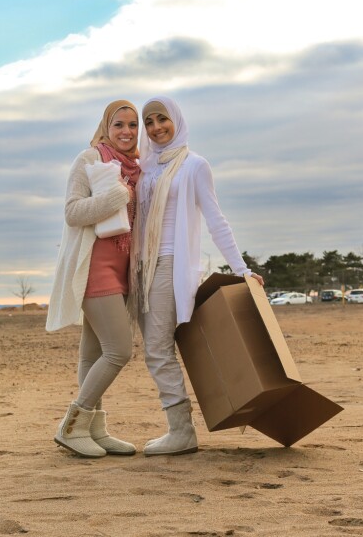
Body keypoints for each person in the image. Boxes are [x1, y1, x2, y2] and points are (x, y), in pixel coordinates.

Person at [133, 95, 264, 456]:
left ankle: (181, 430)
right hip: (142, 267)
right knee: (157, 348)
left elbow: (215, 219)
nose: (156, 127)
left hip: (171, 262)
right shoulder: (144, 167)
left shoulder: (194, 165)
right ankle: (178, 427)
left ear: (177, 120)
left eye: (163, 119)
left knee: (157, 349)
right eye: (149, 121)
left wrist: (242, 270)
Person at [46, 100, 141, 458]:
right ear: (106, 126)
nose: (126, 132)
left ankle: (94, 430)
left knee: (94, 352)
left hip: (122, 269)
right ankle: (72, 425)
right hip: (93, 267)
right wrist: (117, 194)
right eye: (119, 124)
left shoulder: (138, 168)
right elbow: (72, 213)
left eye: (133, 125)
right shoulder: (88, 160)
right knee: (119, 350)